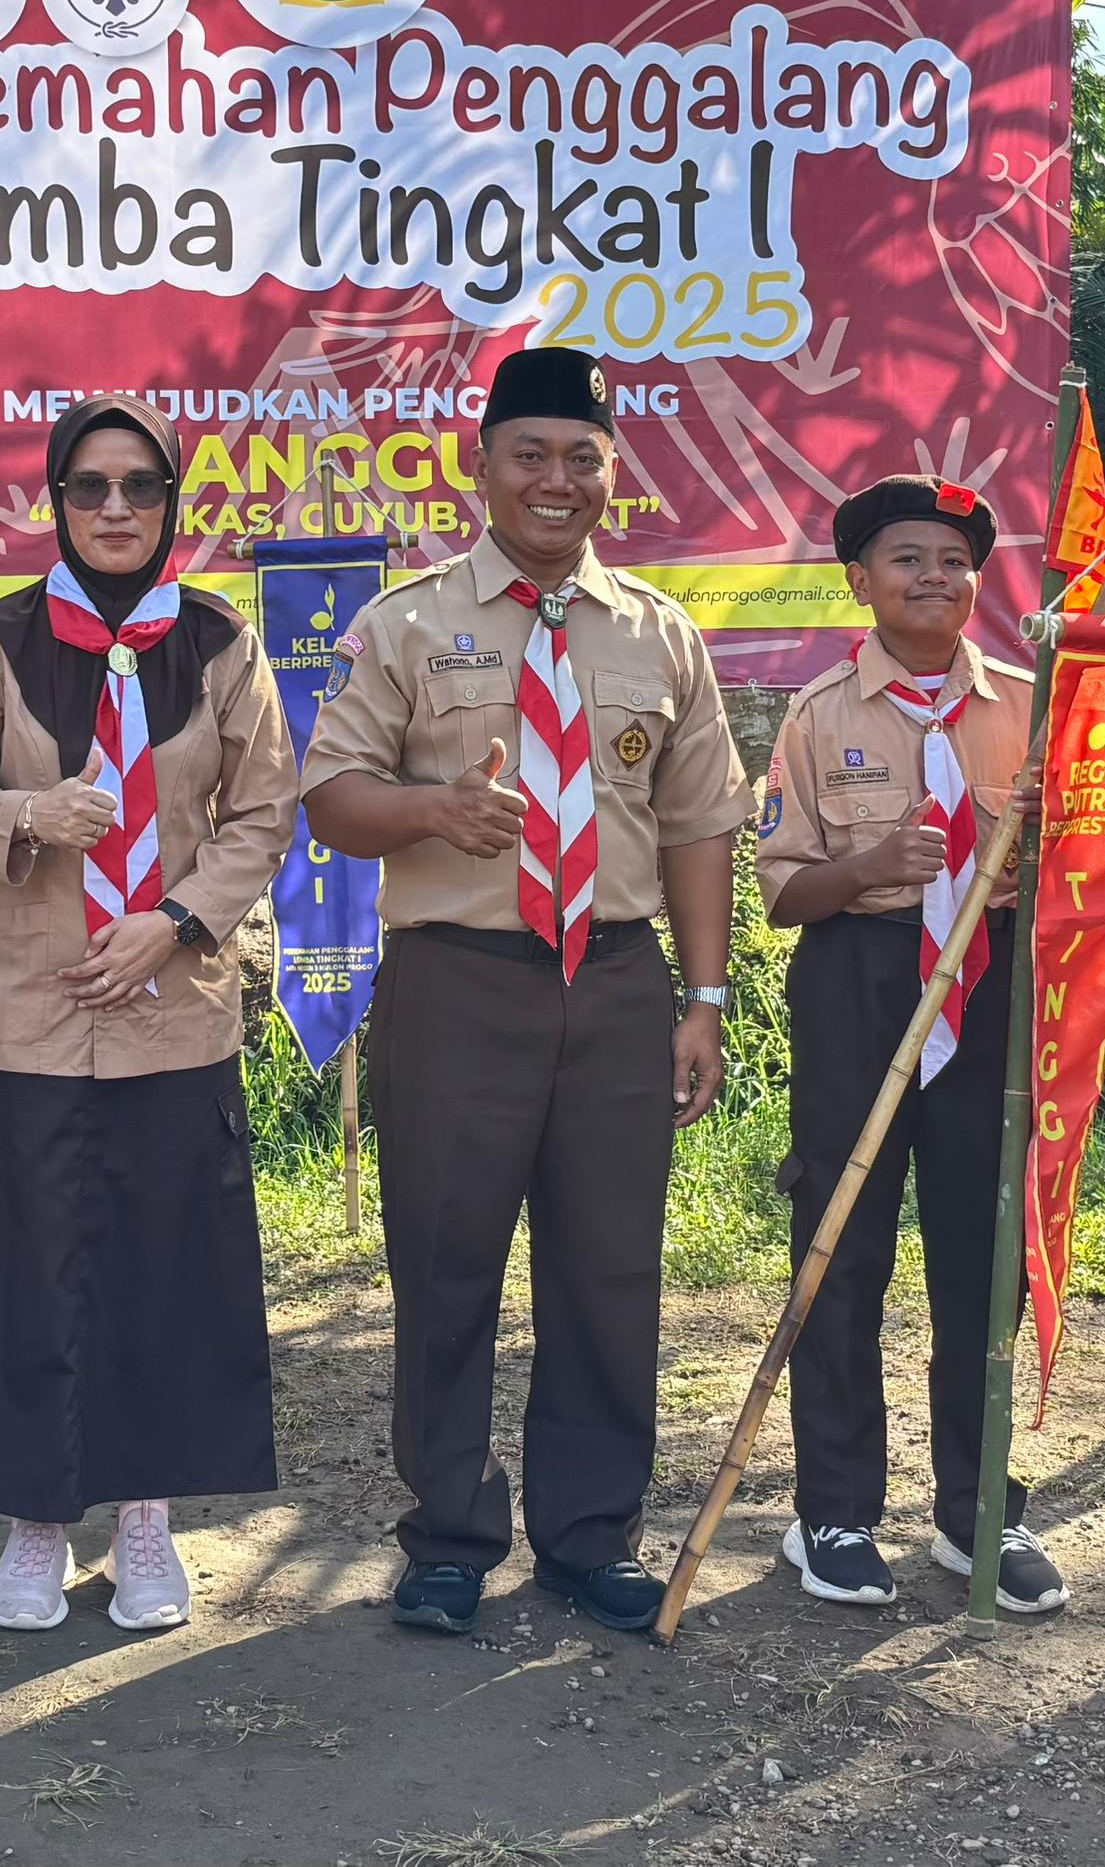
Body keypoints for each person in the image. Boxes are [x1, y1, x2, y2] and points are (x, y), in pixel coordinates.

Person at [301, 346, 757, 1637]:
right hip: (459, 987)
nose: (557, 481)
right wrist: (432, 807)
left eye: (581, 457)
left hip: (616, 983)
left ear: (612, 471)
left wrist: (705, 999)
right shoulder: (409, 621)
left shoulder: (663, 635)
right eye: (530, 455)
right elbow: (332, 799)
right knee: (445, 1268)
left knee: (611, 1271)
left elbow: (700, 826)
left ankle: (588, 1532)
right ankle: (448, 1535)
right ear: (482, 467)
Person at [0, 396, 296, 1632]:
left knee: (161, 1270)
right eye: (88, 488)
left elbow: (265, 814)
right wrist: (26, 817)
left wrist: (171, 922)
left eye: (137, 487)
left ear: (170, 505)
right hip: (28, 1013)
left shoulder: (222, 641)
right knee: (20, 1267)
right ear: (53, 503)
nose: (113, 509)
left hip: (169, 1010)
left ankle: (143, 1517)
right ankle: (31, 1521)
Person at [753, 475, 1069, 1616]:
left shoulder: (1036, 706)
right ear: (858, 581)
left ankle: (977, 1508)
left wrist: (1040, 879)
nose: (932, 577)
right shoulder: (818, 714)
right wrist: (863, 872)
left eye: (953, 559)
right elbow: (782, 893)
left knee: (979, 1263)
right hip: (859, 982)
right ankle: (832, 1511)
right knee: (841, 1252)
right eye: (905, 558)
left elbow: (1083, 876)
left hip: (989, 988)